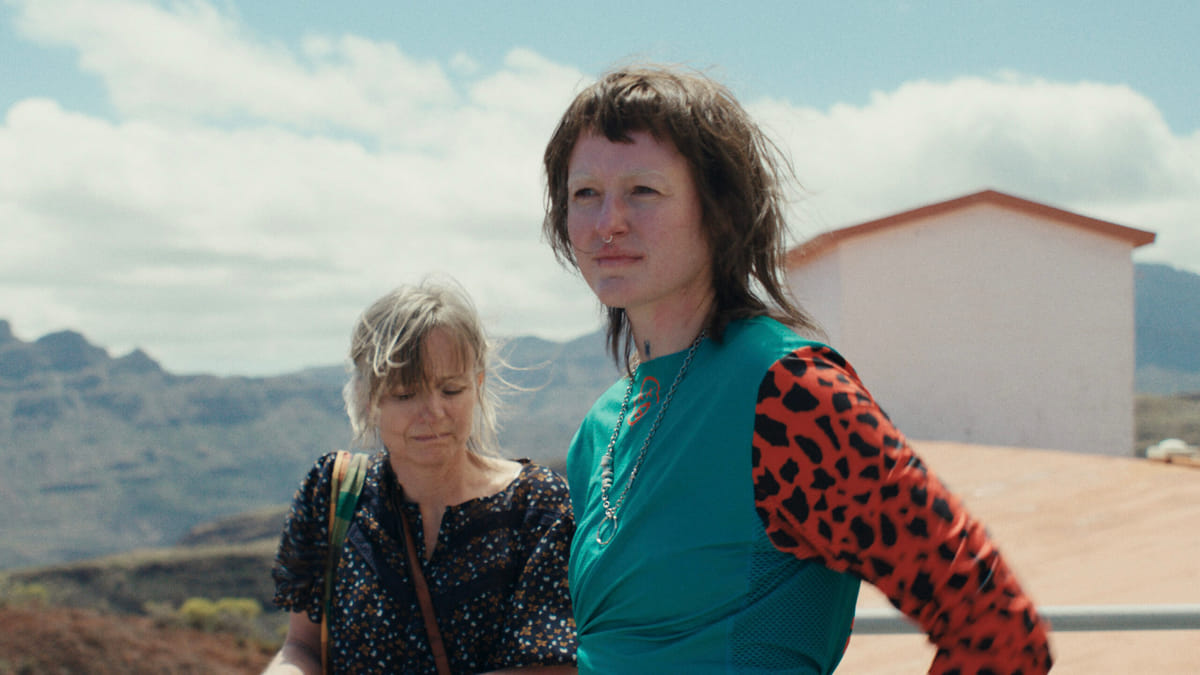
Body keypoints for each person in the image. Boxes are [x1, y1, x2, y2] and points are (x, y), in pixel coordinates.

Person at [541, 65, 1053, 674]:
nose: (608, 223)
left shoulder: (789, 392)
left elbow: (996, 627)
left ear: (721, 209)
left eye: (643, 191)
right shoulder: (600, 427)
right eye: (585, 194)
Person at [264, 278, 578, 674]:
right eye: (405, 395)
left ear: (477, 384)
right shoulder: (333, 490)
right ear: (368, 398)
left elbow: (550, 666)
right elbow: (302, 645)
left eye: (451, 390)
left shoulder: (538, 506)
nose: (433, 413)